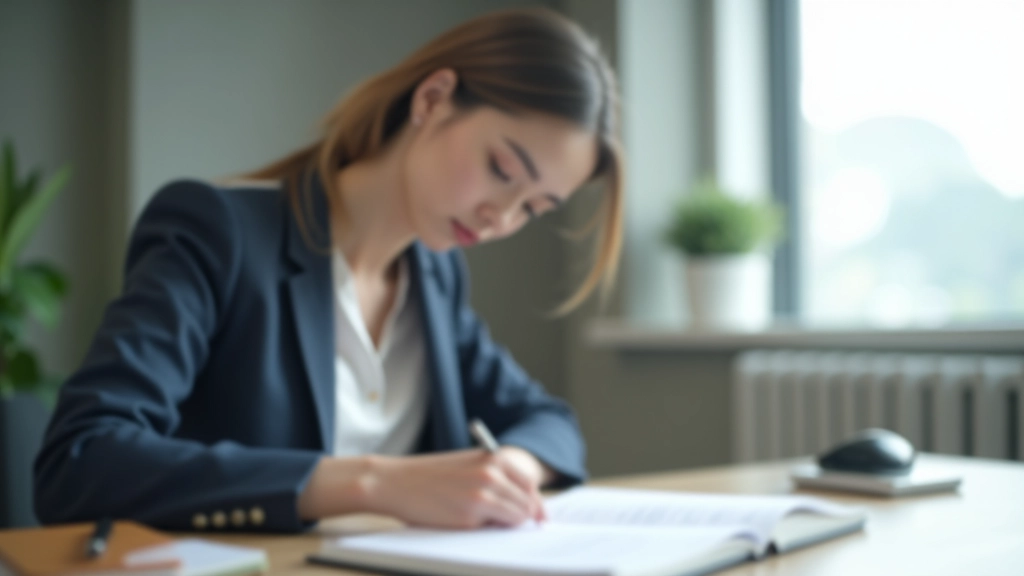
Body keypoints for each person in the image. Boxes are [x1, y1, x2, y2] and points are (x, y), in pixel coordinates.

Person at [33, 7, 623, 534]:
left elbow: (550, 422)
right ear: (433, 98)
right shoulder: (218, 232)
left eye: (534, 208)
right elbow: (82, 459)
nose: (502, 216)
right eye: (500, 168)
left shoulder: (435, 280)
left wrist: (509, 470)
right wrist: (374, 482)